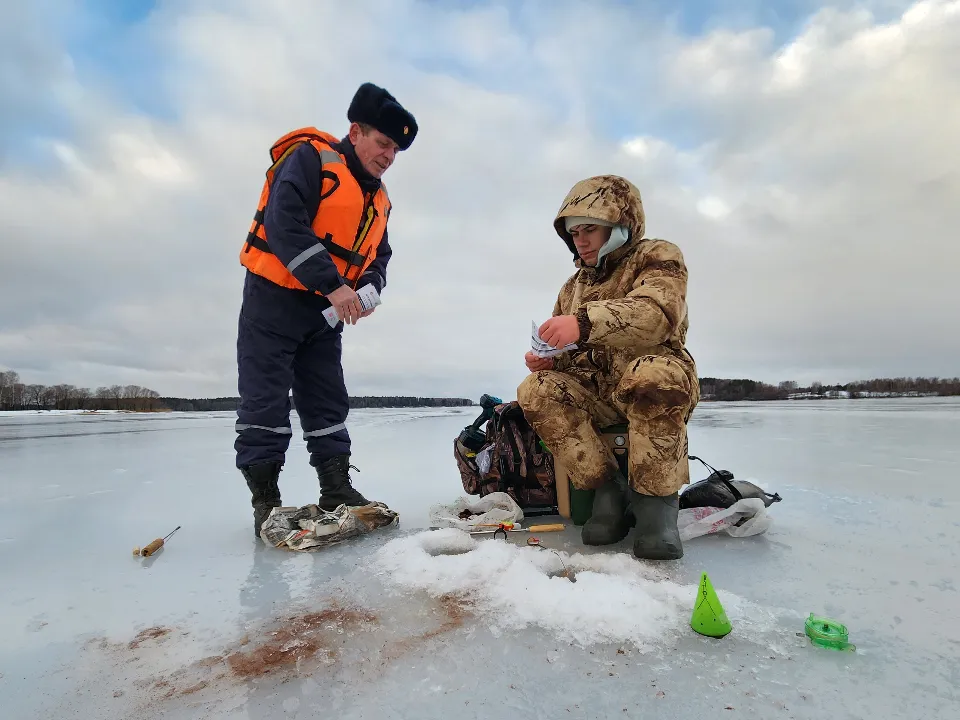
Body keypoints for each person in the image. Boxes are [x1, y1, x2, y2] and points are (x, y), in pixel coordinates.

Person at [234, 82, 418, 537]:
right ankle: (266, 502)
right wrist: (334, 284)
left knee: (327, 399)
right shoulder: (310, 160)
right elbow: (284, 224)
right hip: (274, 301)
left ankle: (335, 488)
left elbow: (380, 256)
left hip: (324, 315)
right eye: (383, 143)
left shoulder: (380, 199)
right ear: (355, 132)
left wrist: (371, 288)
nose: (389, 155)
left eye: (395, 149)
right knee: (265, 402)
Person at [517, 175, 699, 560]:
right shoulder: (573, 286)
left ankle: (656, 507)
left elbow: (657, 316)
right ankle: (606, 490)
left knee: (651, 373)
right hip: (599, 394)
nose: (579, 240)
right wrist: (549, 359)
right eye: (573, 233)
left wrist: (583, 323)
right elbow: (569, 350)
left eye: (589, 230)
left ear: (619, 226)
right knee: (536, 389)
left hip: (654, 385)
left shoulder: (658, 257)